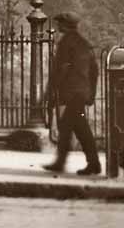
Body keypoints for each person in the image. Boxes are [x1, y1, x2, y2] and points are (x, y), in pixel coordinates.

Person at [43, 12, 101, 176]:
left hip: (71, 92)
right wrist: (91, 93)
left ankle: (92, 164)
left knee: (76, 128)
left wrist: (52, 89)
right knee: (71, 127)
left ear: (66, 25)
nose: (58, 26)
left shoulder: (66, 43)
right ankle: (64, 162)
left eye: (60, 23)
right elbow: (94, 72)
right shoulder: (85, 44)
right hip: (81, 93)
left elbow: (61, 70)